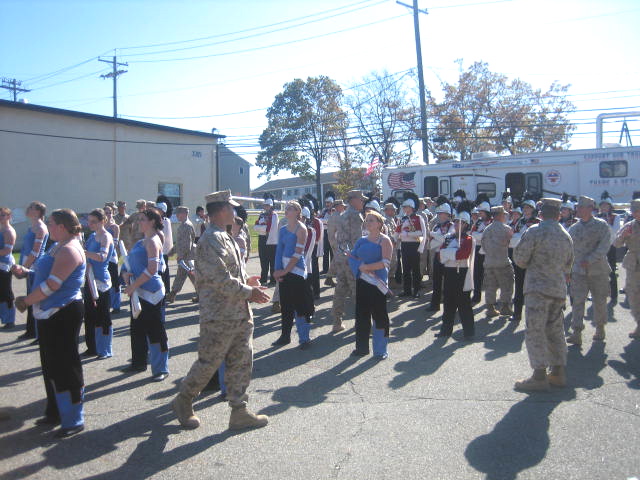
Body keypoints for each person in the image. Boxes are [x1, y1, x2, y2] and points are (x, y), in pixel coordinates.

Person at [171, 190, 270, 431]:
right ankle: (183, 400)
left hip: (239, 313)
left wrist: (249, 280)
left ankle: (239, 410)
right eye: (232, 208)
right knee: (209, 363)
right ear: (223, 210)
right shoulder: (208, 240)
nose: (235, 213)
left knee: (242, 361)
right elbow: (220, 279)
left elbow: (233, 272)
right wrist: (249, 292)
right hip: (219, 316)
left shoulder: (225, 236)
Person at [14, 209, 86, 438]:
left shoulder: (70, 249)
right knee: (51, 364)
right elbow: (43, 273)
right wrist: (25, 271)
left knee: (66, 364)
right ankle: (55, 412)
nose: (48, 226)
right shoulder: (58, 245)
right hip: (49, 313)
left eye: (52, 223)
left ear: (63, 226)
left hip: (63, 312)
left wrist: (26, 301)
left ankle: (74, 418)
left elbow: (52, 285)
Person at [512, 198, 573, 391]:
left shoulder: (535, 231)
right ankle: (558, 372)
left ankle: (539, 376)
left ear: (541, 213)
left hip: (537, 289)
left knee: (535, 331)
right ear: (558, 214)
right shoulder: (566, 235)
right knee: (556, 331)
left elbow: (520, 259)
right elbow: (568, 264)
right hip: (558, 289)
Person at [121, 208, 169, 381]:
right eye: (138, 219)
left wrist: (133, 286)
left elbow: (152, 269)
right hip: (138, 291)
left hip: (152, 293)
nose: (138, 222)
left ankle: (161, 368)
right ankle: (138, 362)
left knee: (156, 332)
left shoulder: (153, 241)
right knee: (137, 330)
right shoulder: (142, 241)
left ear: (153, 222)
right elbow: (132, 264)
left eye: (142, 219)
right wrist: (126, 274)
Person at [566, 196, 612, 345]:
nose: (577, 210)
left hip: (598, 271)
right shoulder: (574, 228)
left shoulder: (601, 225)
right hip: (579, 272)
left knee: (599, 301)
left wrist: (590, 260)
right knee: (577, 302)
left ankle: (600, 327)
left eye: (581, 207)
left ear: (590, 209)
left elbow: (604, 246)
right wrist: (567, 270)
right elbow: (569, 251)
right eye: (577, 207)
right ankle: (577, 332)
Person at [348, 211, 393, 358]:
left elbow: (386, 262)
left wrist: (367, 267)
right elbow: (353, 258)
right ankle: (361, 348)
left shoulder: (385, 240)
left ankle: (380, 350)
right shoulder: (361, 240)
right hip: (362, 282)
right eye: (367, 220)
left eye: (371, 220)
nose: (368, 223)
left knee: (379, 316)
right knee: (361, 316)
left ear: (379, 224)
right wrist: (358, 265)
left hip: (377, 284)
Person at [272, 201, 314, 348]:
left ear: (297, 212)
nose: (287, 211)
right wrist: (277, 271)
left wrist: (285, 270)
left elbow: (297, 255)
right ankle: (285, 336)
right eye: (286, 208)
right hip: (284, 268)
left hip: (296, 271)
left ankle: (304, 338)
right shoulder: (283, 229)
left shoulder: (301, 229)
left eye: (290, 209)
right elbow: (279, 251)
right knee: (285, 305)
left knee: (300, 305)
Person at [435, 200, 475, 339]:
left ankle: (469, 333)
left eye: (461, 222)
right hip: (449, 272)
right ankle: (445, 330)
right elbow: (440, 256)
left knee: (464, 304)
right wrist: (451, 253)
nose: (457, 224)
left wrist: (448, 253)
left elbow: (462, 255)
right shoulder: (448, 238)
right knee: (448, 303)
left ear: (466, 224)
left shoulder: (468, 239)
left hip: (461, 273)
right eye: (456, 222)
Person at [83, 209, 115, 359]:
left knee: (103, 316)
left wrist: (83, 252)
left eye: (93, 221)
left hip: (101, 281)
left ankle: (105, 349)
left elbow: (102, 257)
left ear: (103, 221)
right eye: (89, 221)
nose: (90, 224)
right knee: (90, 315)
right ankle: (93, 347)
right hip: (89, 279)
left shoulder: (106, 236)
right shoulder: (91, 237)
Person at [332, 190, 365, 332]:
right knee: (358, 290)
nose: (363, 202)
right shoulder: (355, 215)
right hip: (352, 258)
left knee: (340, 289)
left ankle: (337, 322)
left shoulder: (343, 214)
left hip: (341, 256)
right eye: (361, 199)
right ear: (353, 200)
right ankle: (362, 324)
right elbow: (357, 240)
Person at [16, 201, 49, 341]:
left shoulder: (41, 228)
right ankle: (31, 330)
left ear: (38, 212)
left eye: (31, 208)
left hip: (35, 268)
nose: (28, 209)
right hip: (28, 265)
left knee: (34, 298)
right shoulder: (32, 227)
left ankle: (37, 333)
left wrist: (25, 268)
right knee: (30, 297)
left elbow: (36, 252)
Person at [510, 195, 540, 322]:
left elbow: (533, 240)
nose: (526, 210)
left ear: (533, 209)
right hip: (520, 257)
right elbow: (512, 238)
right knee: (519, 286)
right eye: (524, 208)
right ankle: (517, 314)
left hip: (533, 259)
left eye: (528, 208)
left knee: (533, 288)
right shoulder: (519, 222)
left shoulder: (538, 222)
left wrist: (518, 237)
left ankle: (534, 315)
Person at [481, 206, 514, 317]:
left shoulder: (486, 229)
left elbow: (483, 246)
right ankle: (505, 307)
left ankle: (490, 308)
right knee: (507, 285)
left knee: (490, 286)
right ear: (500, 215)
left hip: (489, 262)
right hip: (502, 262)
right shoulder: (507, 229)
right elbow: (511, 243)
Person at [614, 198, 640, 339]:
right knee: (633, 295)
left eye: (638, 210)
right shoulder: (629, 226)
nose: (636, 213)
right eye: (634, 210)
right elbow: (616, 244)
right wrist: (623, 236)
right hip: (633, 264)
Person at [396, 192, 426, 298]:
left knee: (415, 269)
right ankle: (407, 290)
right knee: (406, 269)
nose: (404, 208)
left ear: (411, 207)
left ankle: (416, 290)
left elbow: (422, 233)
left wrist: (408, 234)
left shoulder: (418, 218)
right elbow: (397, 231)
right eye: (404, 207)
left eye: (406, 207)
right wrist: (397, 237)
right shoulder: (402, 219)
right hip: (404, 245)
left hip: (414, 245)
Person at [426, 196, 454, 312]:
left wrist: (434, 235)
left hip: (448, 258)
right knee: (436, 282)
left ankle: (450, 305)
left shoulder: (452, 226)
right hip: (437, 256)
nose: (439, 215)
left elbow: (446, 240)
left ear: (447, 214)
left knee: (449, 283)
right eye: (438, 213)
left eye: (441, 213)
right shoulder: (437, 226)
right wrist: (437, 237)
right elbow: (431, 244)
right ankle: (435, 304)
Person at [166, 206, 197, 304]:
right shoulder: (183, 225)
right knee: (182, 276)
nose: (177, 215)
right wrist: (172, 251)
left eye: (179, 213)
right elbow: (180, 242)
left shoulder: (186, 226)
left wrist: (181, 256)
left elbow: (187, 244)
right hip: (185, 257)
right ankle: (172, 294)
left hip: (188, 257)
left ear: (185, 214)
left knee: (191, 276)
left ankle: (172, 294)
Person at [597, 191, 623, 303]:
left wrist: (606, 222)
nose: (603, 207)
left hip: (610, 246)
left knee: (611, 270)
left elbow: (615, 232)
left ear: (610, 206)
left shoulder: (615, 217)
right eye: (602, 205)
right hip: (598, 248)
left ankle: (613, 294)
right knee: (598, 271)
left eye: (606, 205)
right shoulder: (596, 217)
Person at [471, 194, 492, 303]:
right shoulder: (478, 222)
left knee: (490, 277)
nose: (479, 214)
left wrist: (479, 235)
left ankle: (491, 299)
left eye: (481, 212)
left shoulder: (491, 222)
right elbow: (472, 233)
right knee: (477, 275)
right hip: (478, 250)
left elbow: (487, 236)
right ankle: (476, 295)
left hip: (489, 251)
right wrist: (480, 235)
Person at [254, 195, 279, 286]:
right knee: (263, 261)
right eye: (265, 205)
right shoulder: (262, 214)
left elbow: (270, 228)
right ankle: (263, 278)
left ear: (271, 206)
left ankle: (273, 280)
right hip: (262, 239)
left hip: (271, 241)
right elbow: (255, 227)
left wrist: (261, 227)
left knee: (272, 262)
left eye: (268, 205)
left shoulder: (274, 215)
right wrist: (261, 227)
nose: (266, 207)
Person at [103, 205, 122, 313]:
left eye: (110, 212)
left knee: (114, 282)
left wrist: (104, 250)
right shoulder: (101, 227)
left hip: (111, 258)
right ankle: (106, 303)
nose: (108, 215)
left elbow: (115, 244)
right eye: (106, 212)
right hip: (102, 259)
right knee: (104, 280)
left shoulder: (115, 227)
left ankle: (116, 305)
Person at [0, 207, 16, 329]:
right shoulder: (2, 230)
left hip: (4, 265)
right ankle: (5, 318)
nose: (1, 217)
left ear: (9, 216)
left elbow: (7, 250)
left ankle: (10, 319)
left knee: (6, 292)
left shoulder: (9, 231)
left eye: (3, 215)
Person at [324, 199, 345, 288]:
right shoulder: (337, 217)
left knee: (336, 259)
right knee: (340, 260)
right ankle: (339, 280)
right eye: (342, 205)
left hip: (336, 241)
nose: (343, 207)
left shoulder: (337, 215)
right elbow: (338, 231)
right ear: (337, 207)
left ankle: (329, 277)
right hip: (337, 241)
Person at [156, 198, 173, 298]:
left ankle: (166, 290)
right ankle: (164, 289)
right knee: (162, 269)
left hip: (163, 249)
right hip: (162, 249)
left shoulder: (165, 221)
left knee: (164, 270)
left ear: (162, 211)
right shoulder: (164, 220)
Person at [382, 199, 401, 285]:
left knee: (394, 263)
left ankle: (391, 280)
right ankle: (386, 283)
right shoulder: (385, 220)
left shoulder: (392, 219)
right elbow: (387, 234)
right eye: (393, 210)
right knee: (389, 264)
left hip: (394, 245)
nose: (395, 211)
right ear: (387, 211)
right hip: (389, 245)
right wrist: (393, 240)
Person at [319, 191, 335, 275]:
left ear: (332, 203)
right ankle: (325, 269)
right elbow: (319, 219)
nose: (327, 204)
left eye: (328, 202)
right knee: (325, 252)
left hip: (332, 233)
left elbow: (331, 222)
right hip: (325, 233)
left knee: (333, 252)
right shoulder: (324, 210)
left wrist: (323, 221)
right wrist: (324, 221)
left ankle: (332, 270)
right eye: (326, 202)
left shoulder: (335, 211)